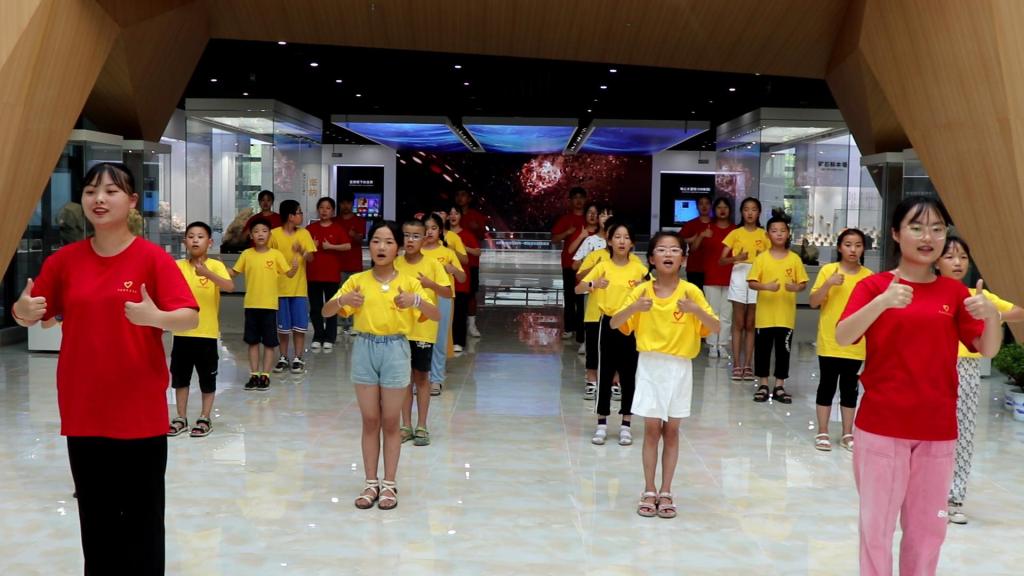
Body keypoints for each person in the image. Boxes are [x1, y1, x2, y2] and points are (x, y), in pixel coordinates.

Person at [13, 162, 199, 574]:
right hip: (84, 410)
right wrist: (22, 309)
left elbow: (189, 316)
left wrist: (156, 317)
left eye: (111, 191)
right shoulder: (65, 261)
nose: (99, 199)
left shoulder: (152, 259)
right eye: (91, 191)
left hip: (139, 411)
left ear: (131, 201)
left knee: (143, 523)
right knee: (96, 523)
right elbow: (33, 311)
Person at [835, 196, 1001, 576]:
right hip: (882, 427)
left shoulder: (954, 293)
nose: (928, 237)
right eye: (917, 227)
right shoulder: (875, 287)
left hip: (937, 430)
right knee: (876, 529)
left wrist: (992, 317)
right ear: (896, 233)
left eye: (937, 229)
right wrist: (883, 303)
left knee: (929, 531)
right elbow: (843, 336)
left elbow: (987, 348)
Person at [322, 221, 440, 510]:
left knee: (390, 421)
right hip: (364, 348)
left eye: (388, 242)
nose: (382, 247)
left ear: (397, 247)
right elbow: (326, 311)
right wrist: (343, 300)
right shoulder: (358, 280)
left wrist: (416, 300)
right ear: (369, 246)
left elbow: (435, 313)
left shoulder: (409, 282)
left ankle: (389, 484)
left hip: (396, 349)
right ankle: (370, 483)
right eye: (376, 241)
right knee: (370, 420)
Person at [610, 231, 719, 519]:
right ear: (651, 258)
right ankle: (649, 489)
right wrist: (634, 307)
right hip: (649, 366)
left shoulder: (691, 292)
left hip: (680, 367)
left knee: (671, 431)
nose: (668, 254)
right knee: (651, 430)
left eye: (674, 250)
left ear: (683, 259)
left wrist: (695, 311)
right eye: (661, 249)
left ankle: (667, 490)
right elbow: (615, 323)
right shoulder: (642, 291)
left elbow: (715, 326)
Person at [935, 235, 1023, 524]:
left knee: (962, 435)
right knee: (928, 437)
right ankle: (927, 498)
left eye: (963, 257)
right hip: (932, 368)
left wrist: (991, 314)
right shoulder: (928, 293)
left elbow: (1018, 313)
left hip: (967, 370)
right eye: (950, 256)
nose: (958, 262)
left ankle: (954, 498)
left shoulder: (977, 295)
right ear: (936, 261)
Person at [577, 220, 649, 446]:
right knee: (605, 372)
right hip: (606, 323)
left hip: (631, 324)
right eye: (617, 237)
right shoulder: (603, 265)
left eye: (626, 237)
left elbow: (654, 290)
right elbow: (578, 288)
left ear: (632, 243)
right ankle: (601, 424)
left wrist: (644, 287)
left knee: (629, 374)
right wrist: (593, 284)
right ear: (609, 241)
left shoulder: (638, 267)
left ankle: (626, 424)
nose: (621, 241)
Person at [168, 221, 234, 439]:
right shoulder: (177, 266)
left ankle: (205, 417)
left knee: (207, 379)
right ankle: (181, 417)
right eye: (191, 236)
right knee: (180, 378)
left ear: (210, 242)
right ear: (184, 241)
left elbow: (229, 286)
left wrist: (207, 273)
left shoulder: (215, 265)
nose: (195, 240)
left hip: (206, 334)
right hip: (181, 333)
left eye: (200, 236)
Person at [809, 229, 872, 452]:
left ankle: (847, 433)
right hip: (830, 340)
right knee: (826, 386)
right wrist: (829, 284)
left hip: (856, 342)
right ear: (839, 247)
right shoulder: (828, 271)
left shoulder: (869, 277)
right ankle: (822, 431)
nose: (853, 249)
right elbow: (813, 302)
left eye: (858, 245)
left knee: (850, 389)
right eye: (848, 244)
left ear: (863, 249)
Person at [395, 218, 450, 446]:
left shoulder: (432, 264)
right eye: (407, 235)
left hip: (423, 330)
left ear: (424, 238)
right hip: (399, 330)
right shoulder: (395, 263)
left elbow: (447, 292)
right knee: (403, 379)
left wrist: (430, 284)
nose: (410, 240)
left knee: (421, 378)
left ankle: (422, 426)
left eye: (416, 236)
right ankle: (406, 425)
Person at [747, 211, 808, 404]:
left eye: (782, 230)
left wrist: (795, 288)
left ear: (788, 233)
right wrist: (766, 286)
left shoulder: (794, 259)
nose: (779, 234)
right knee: (763, 351)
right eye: (774, 230)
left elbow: (803, 283)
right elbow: (751, 282)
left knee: (784, 351)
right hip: (764, 317)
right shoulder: (762, 258)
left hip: (785, 316)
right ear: (768, 235)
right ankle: (763, 384)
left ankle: (780, 385)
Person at [231, 218, 297, 391]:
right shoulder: (246, 254)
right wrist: (215, 269)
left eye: (264, 231)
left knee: (269, 343)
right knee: (252, 342)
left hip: (269, 306)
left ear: (269, 235)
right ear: (251, 235)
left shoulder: (276, 255)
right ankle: (254, 374)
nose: (260, 234)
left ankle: (265, 375)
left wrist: (295, 267)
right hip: (251, 305)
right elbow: (233, 272)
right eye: (256, 231)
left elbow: (289, 274)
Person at [720, 197, 768, 380]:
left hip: (758, 276)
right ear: (741, 212)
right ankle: (737, 365)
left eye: (754, 209)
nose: (750, 213)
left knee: (751, 323)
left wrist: (763, 260)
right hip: (739, 273)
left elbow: (772, 258)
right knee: (738, 322)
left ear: (759, 212)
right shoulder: (735, 233)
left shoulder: (765, 235)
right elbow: (721, 260)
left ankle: (748, 364)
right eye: (746, 209)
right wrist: (737, 258)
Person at [268, 200, 317, 373]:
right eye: (299, 212)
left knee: (299, 326)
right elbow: (268, 258)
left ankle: (298, 357)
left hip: (299, 289)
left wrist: (302, 250)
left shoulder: (304, 234)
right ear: (290, 216)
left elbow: (311, 258)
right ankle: (283, 356)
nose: (301, 215)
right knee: (283, 327)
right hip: (280, 289)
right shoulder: (274, 235)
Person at [421, 213, 466, 396]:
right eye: (426, 228)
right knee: (420, 340)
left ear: (440, 231)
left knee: (439, 339)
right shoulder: (416, 251)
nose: (429, 232)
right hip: (420, 299)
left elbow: (462, 278)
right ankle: (421, 379)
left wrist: (453, 269)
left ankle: (436, 379)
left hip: (443, 299)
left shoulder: (447, 253)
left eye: (433, 228)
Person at [573, 205, 614, 397]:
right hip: (594, 299)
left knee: (615, 345)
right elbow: (577, 270)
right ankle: (591, 379)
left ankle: (614, 381)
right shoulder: (592, 244)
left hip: (616, 306)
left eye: (609, 214)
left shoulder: (629, 256)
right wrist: (594, 272)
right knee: (593, 340)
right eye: (602, 215)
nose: (605, 218)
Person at [306, 197, 352, 351]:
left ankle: (330, 337)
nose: (324, 211)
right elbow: (304, 251)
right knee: (315, 307)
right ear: (317, 210)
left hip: (331, 275)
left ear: (332, 211)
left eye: (328, 208)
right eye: (321, 207)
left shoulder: (338, 228)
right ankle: (318, 336)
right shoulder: (310, 228)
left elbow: (347, 246)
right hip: (313, 274)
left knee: (332, 306)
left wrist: (331, 246)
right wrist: (312, 246)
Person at [551, 186, 588, 342]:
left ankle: (581, 328)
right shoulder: (565, 219)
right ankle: (569, 328)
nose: (578, 201)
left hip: (587, 266)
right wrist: (567, 232)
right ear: (570, 201)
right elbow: (554, 239)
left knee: (583, 298)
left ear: (585, 200)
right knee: (569, 296)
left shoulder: (590, 219)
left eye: (581, 198)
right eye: (575, 198)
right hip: (568, 264)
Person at [701, 197, 736, 359]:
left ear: (730, 210)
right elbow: (694, 248)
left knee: (726, 315)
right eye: (719, 207)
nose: (722, 210)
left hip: (731, 277)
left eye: (725, 207)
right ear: (714, 210)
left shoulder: (736, 230)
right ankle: (712, 345)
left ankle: (722, 344)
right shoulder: (708, 228)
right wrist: (702, 236)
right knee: (712, 312)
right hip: (711, 275)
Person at [454, 189, 488, 337]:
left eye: (463, 195)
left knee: (471, 294)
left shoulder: (476, 216)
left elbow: (482, 236)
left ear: (469, 198)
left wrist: (477, 228)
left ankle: (471, 325)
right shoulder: (450, 216)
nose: (460, 198)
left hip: (471, 262)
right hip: (452, 262)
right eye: (458, 195)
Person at [448, 205, 481, 352]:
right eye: (450, 213)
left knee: (460, 310)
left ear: (461, 216)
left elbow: (477, 252)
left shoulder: (467, 234)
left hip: (461, 277)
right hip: (444, 278)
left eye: (456, 213)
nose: (453, 216)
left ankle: (458, 341)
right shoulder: (442, 234)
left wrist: (462, 247)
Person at [337, 192, 366, 335]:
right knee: (340, 294)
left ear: (352, 204)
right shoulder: (335, 221)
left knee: (355, 295)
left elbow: (361, 239)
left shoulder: (360, 221)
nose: (345, 206)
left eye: (348, 203)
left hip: (355, 264)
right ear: (339, 205)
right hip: (338, 265)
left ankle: (355, 323)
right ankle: (340, 323)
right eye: (343, 203)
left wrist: (354, 236)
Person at [679, 193, 713, 291]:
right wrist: (693, 239)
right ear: (697, 207)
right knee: (695, 295)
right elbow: (678, 240)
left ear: (711, 206)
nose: (704, 206)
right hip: (694, 267)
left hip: (712, 267)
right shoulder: (690, 224)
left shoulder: (716, 223)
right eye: (701, 203)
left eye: (707, 203)